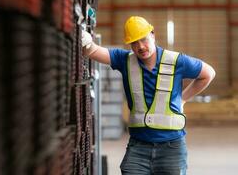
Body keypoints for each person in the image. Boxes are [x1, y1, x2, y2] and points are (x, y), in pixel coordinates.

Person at [81, 16, 215, 175]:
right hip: (138, 147)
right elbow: (94, 51)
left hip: (171, 148)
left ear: (152, 34)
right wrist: (85, 40)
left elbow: (208, 73)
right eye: (134, 42)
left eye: (143, 39)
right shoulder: (124, 60)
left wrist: (183, 99)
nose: (140, 46)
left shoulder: (176, 61)